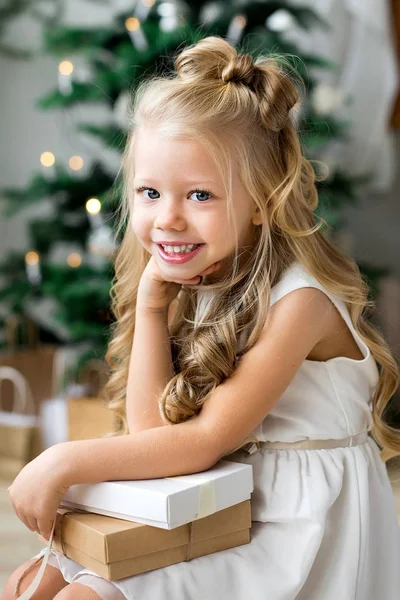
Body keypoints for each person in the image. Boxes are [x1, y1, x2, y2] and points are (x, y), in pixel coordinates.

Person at [3, 35, 400, 600]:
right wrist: (151, 305)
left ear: (262, 201)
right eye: (149, 191)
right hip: (222, 503)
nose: (168, 219)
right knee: (30, 584)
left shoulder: (301, 303)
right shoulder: (197, 279)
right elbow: (153, 435)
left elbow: (204, 440)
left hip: (300, 527)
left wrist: (64, 460)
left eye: (199, 196)